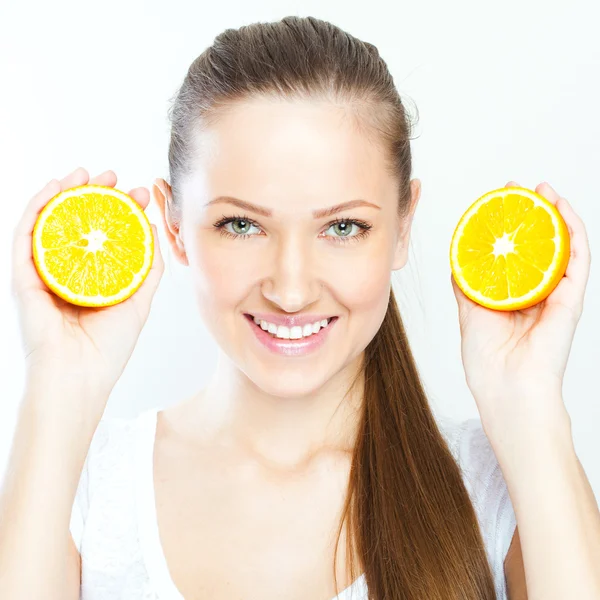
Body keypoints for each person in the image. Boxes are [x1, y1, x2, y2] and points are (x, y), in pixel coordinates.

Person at [1, 14, 598, 600]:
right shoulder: (81, 488)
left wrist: (529, 402)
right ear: (175, 224)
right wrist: (59, 386)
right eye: (241, 224)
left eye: (342, 227)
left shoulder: (499, 490)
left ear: (403, 225)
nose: (290, 291)